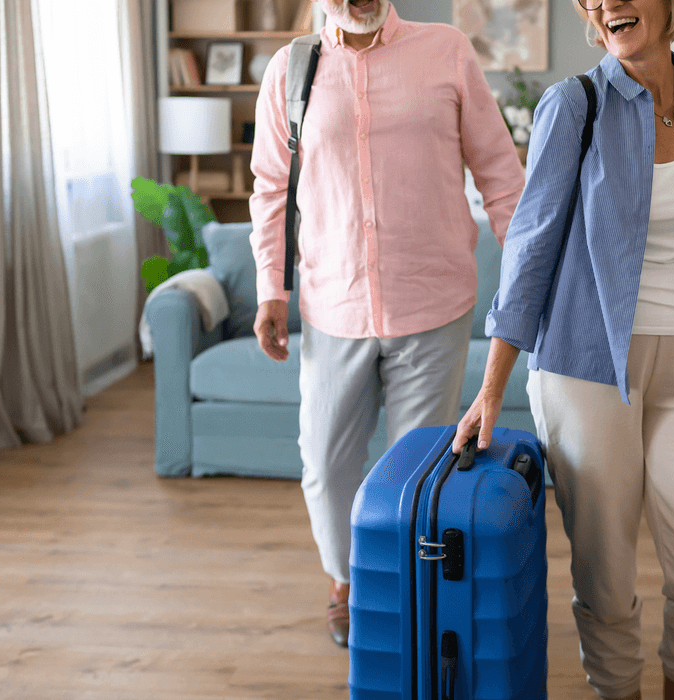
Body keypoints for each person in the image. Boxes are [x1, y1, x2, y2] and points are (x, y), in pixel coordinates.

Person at [454, 0, 674, 697]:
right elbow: (530, 252)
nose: (607, 4)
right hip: (583, 366)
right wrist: (488, 391)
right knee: (604, 577)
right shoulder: (574, 105)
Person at [250, 0, 525, 648]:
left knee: (418, 469)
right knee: (323, 462)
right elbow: (269, 187)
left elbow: (500, 174)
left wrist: (524, 280)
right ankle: (343, 578)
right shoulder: (291, 69)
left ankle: (400, 586)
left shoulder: (447, 51)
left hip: (432, 301)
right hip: (331, 304)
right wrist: (270, 289)